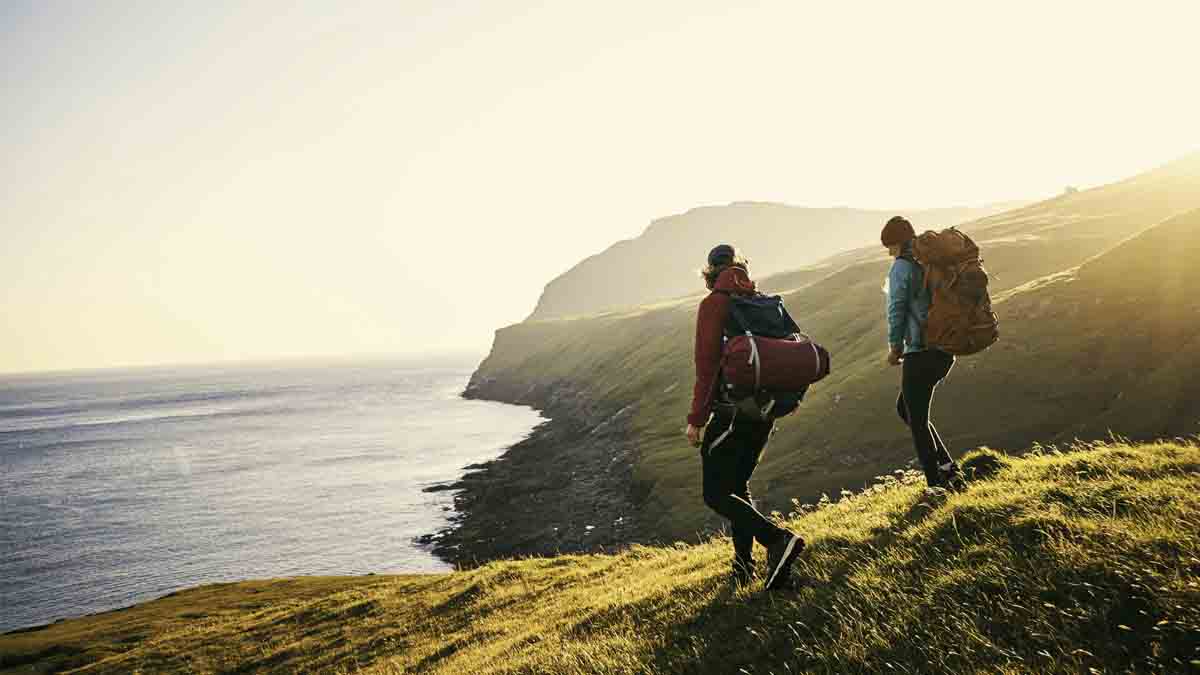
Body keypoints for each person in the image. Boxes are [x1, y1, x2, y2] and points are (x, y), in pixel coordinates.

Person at [686, 244, 804, 590]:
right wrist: (790, 397)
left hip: (732, 412)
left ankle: (777, 540)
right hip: (764, 412)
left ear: (710, 273)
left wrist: (697, 419)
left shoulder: (713, 305)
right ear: (740, 268)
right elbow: (795, 348)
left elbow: (707, 368)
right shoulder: (762, 300)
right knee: (737, 486)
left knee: (715, 493)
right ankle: (743, 567)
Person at [880, 216, 965, 491]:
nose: (889, 253)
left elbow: (897, 310)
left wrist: (895, 347)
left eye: (890, 247)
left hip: (921, 352)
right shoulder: (928, 263)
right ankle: (947, 468)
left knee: (916, 419)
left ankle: (936, 484)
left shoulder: (902, 268)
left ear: (897, 243)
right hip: (945, 349)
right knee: (906, 409)